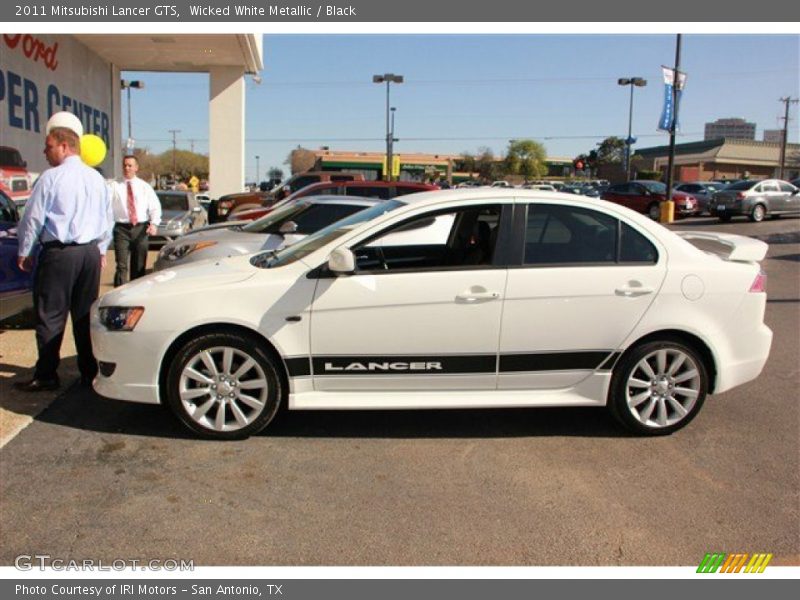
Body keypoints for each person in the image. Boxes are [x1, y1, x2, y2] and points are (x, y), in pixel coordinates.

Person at [14, 112, 113, 392]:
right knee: (84, 315)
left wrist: (25, 249)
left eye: (48, 146)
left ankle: (46, 374)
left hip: (59, 254)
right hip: (89, 254)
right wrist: (101, 249)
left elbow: (32, 217)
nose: (44, 152)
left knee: (50, 315)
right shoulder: (97, 180)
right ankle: (88, 373)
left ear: (64, 146)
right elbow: (108, 221)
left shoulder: (51, 178)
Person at [110, 155, 161, 286]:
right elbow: (107, 207)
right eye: (125, 165)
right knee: (121, 265)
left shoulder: (144, 187)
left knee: (139, 265)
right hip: (121, 229)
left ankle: (136, 292)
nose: (127, 168)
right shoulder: (114, 186)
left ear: (136, 168)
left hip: (140, 228)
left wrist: (154, 224)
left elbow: (155, 207)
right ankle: (119, 296)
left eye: (130, 165)